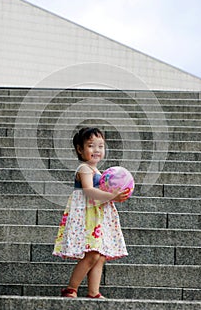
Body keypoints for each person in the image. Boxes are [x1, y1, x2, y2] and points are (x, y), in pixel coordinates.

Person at [53, 127, 129, 298]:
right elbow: (88, 190)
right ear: (80, 149)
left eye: (100, 146)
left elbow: (103, 193)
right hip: (86, 217)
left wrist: (116, 194)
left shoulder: (99, 173)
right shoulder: (84, 169)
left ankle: (93, 292)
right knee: (92, 254)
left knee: (100, 256)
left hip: (97, 218)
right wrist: (112, 195)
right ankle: (71, 288)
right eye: (91, 146)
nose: (97, 150)